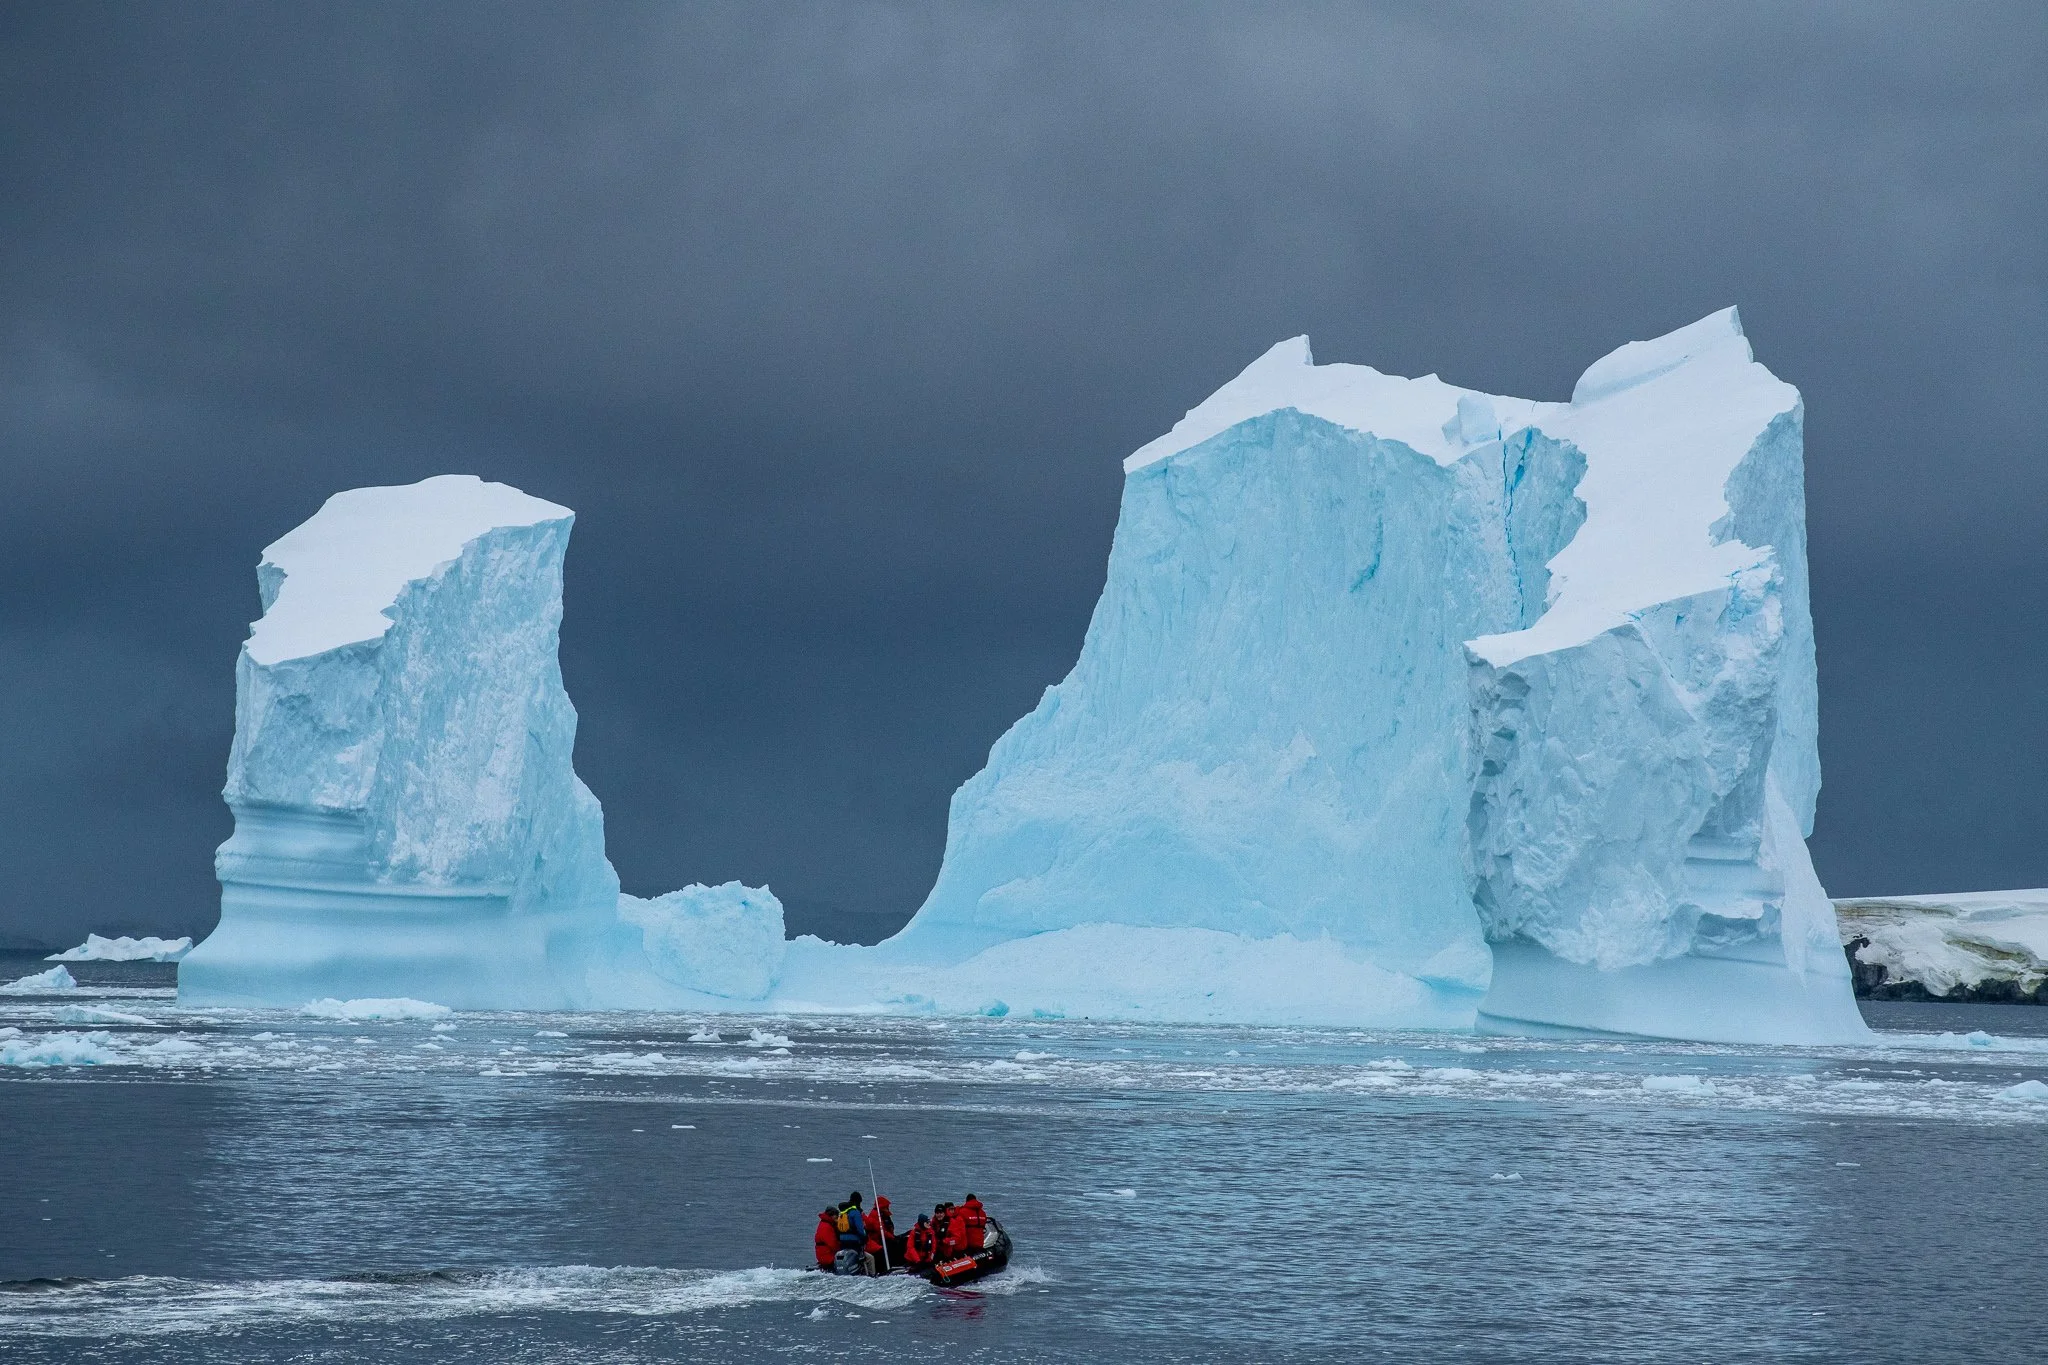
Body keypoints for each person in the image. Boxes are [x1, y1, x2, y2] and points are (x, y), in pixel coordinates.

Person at [833, 1191, 874, 1276]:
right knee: (870, 1258)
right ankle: (872, 1276)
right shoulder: (855, 1212)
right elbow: (860, 1229)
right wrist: (865, 1238)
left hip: (843, 1244)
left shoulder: (843, 1213)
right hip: (854, 1243)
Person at [865, 1194, 899, 1270]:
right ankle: (892, 1265)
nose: (888, 1208)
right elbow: (881, 1231)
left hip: (884, 1238)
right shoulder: (876, 1215)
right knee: (895, 1245)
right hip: (878, 1240)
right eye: (886, 1206)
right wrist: (892, 1237)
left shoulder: (882, 1214)